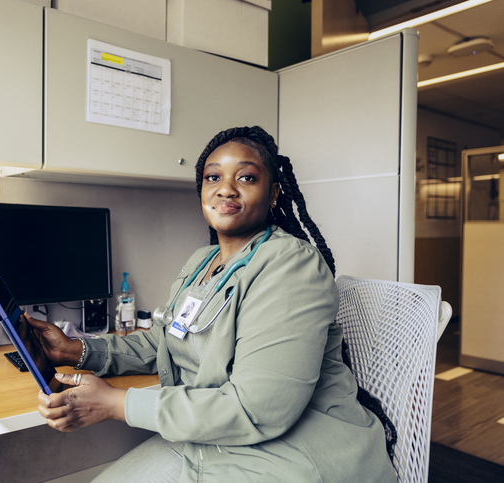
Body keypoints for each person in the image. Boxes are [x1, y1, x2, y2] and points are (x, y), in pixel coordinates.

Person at [28, 126, 398, 482]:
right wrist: (75, 350)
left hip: (292, 458)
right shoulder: (202, 263)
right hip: (210, 441)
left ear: (274, 193)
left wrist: (115, 404)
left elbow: (259, 408)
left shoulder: (291, 266)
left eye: (247, 178)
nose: (226, 190)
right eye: (213, 178)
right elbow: (163, 341)